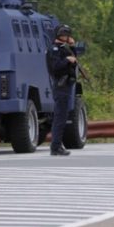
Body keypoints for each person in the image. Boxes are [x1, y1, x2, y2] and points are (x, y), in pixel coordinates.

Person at [48, 24, 78, 156]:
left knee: (63, 116)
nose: (66, 37)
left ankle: (57, 145)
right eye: (65, 35)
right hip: (61, 85)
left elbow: (74, 60)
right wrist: (66, 60)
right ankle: (55, 146)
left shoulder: (63, 48)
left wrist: (72, 47)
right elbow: (55, 67)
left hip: (66, 85)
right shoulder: (54, 49)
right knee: (60, 117)